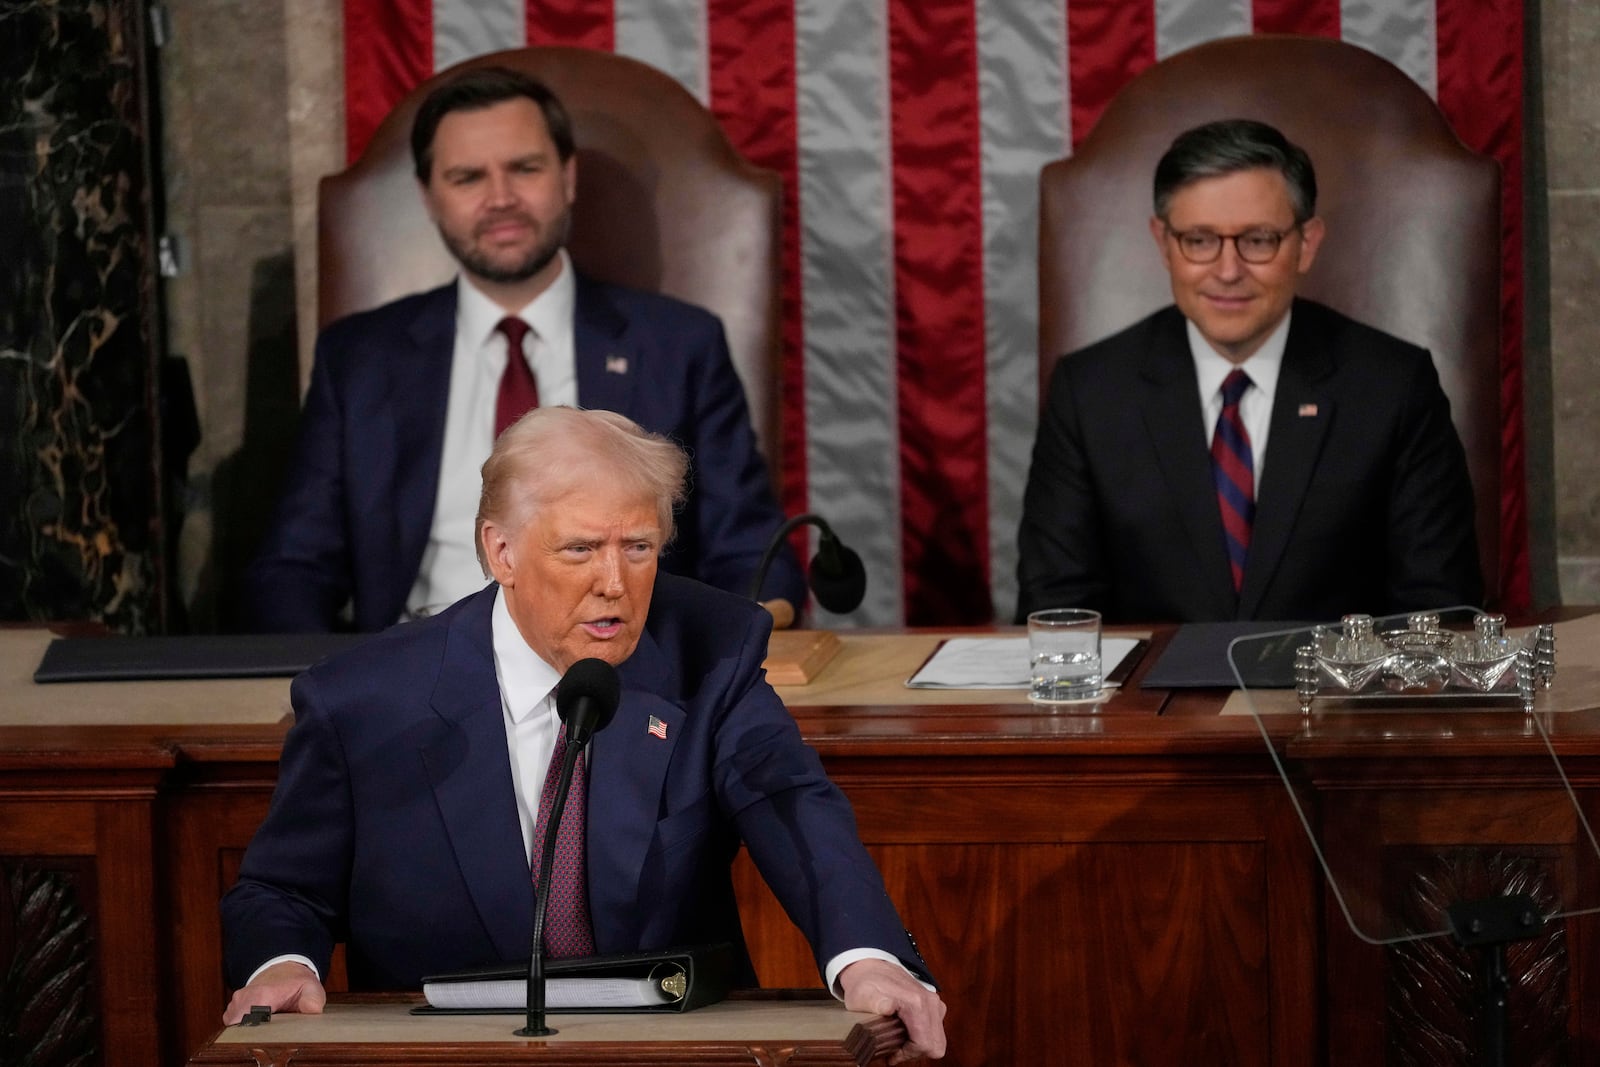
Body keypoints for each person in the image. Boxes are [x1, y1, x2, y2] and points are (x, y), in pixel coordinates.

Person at [220, 407, 947, 1062]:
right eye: (579, 550)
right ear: (500, 551)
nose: (615, 582)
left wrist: (868, 955)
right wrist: (282, 964)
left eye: (638, 547)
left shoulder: (710, 650)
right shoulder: (364, 700)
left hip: (669, 1056)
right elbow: (284, 890)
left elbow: (791, 801)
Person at [238, 65, 804, 633]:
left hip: (620, 680)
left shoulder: (679, 346)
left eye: (524, 169)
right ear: (429, 197)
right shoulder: (360, 359)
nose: (500, 198)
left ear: (568, 178)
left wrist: (717, 660)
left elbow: (753, 555)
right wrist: (337, 693)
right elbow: (292, 569)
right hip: (414, 680)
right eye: (467, 178)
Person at [1016, 118, 1482, 623]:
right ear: (1163, 243)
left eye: (1258, 240)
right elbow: (1057, 616)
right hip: (1148, 700)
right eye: (1199, 240)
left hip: (1330, 698)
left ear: (1306, 243)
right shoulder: (1090, 393)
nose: (1229, 269)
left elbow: (1439, 613)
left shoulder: (1392, 386)